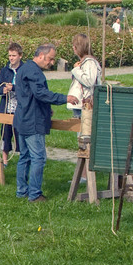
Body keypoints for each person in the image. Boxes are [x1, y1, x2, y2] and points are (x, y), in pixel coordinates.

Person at [13, 43, 79, 202]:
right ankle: (35, 194)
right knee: (38, 158)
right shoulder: (34, 72)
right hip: (32, 122)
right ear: (41, 56)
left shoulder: (24, 68)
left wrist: (45, 109)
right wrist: (65, 98)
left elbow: (30, 96)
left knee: (25, 156)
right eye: (50, 59)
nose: (51, 62)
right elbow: (40, 93)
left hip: (22, 118)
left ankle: (21, 191)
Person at [0, 42, 23, 168]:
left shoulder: (24, 70)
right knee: (5, 134)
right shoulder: (5, 70)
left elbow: (27, 88)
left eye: (14, 55)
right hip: (7, 107)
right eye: (10, 56)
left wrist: (14, 88)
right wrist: (3, 90)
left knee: (20, 134)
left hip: (20, 108)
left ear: (20, 56)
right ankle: (5, 160)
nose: (11, 58)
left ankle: (22, 159)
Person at [66, 33, 103, 120]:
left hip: (85, 103)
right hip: (81, 104)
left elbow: (89, 81)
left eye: (74, 46)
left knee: (84, 130)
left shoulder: (90, 62)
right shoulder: (85, 62)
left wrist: (76, 70)